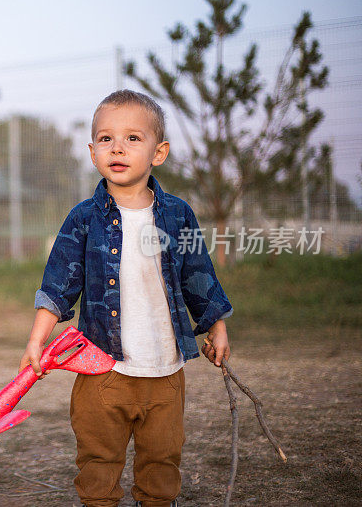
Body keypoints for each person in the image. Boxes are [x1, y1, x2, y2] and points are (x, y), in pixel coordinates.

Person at [19, 90, 232, 507]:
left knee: (162, 462)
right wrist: (36, 340)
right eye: (105, 138)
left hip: (165, 371)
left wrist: (217, 327)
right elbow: (58, 284)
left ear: (159, 152)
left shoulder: (178, 214)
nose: (117, 147)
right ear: (93, 152)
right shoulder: (83, 218)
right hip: (103, 371)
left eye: (133, 138)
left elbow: (199, 275)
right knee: (98, 460)